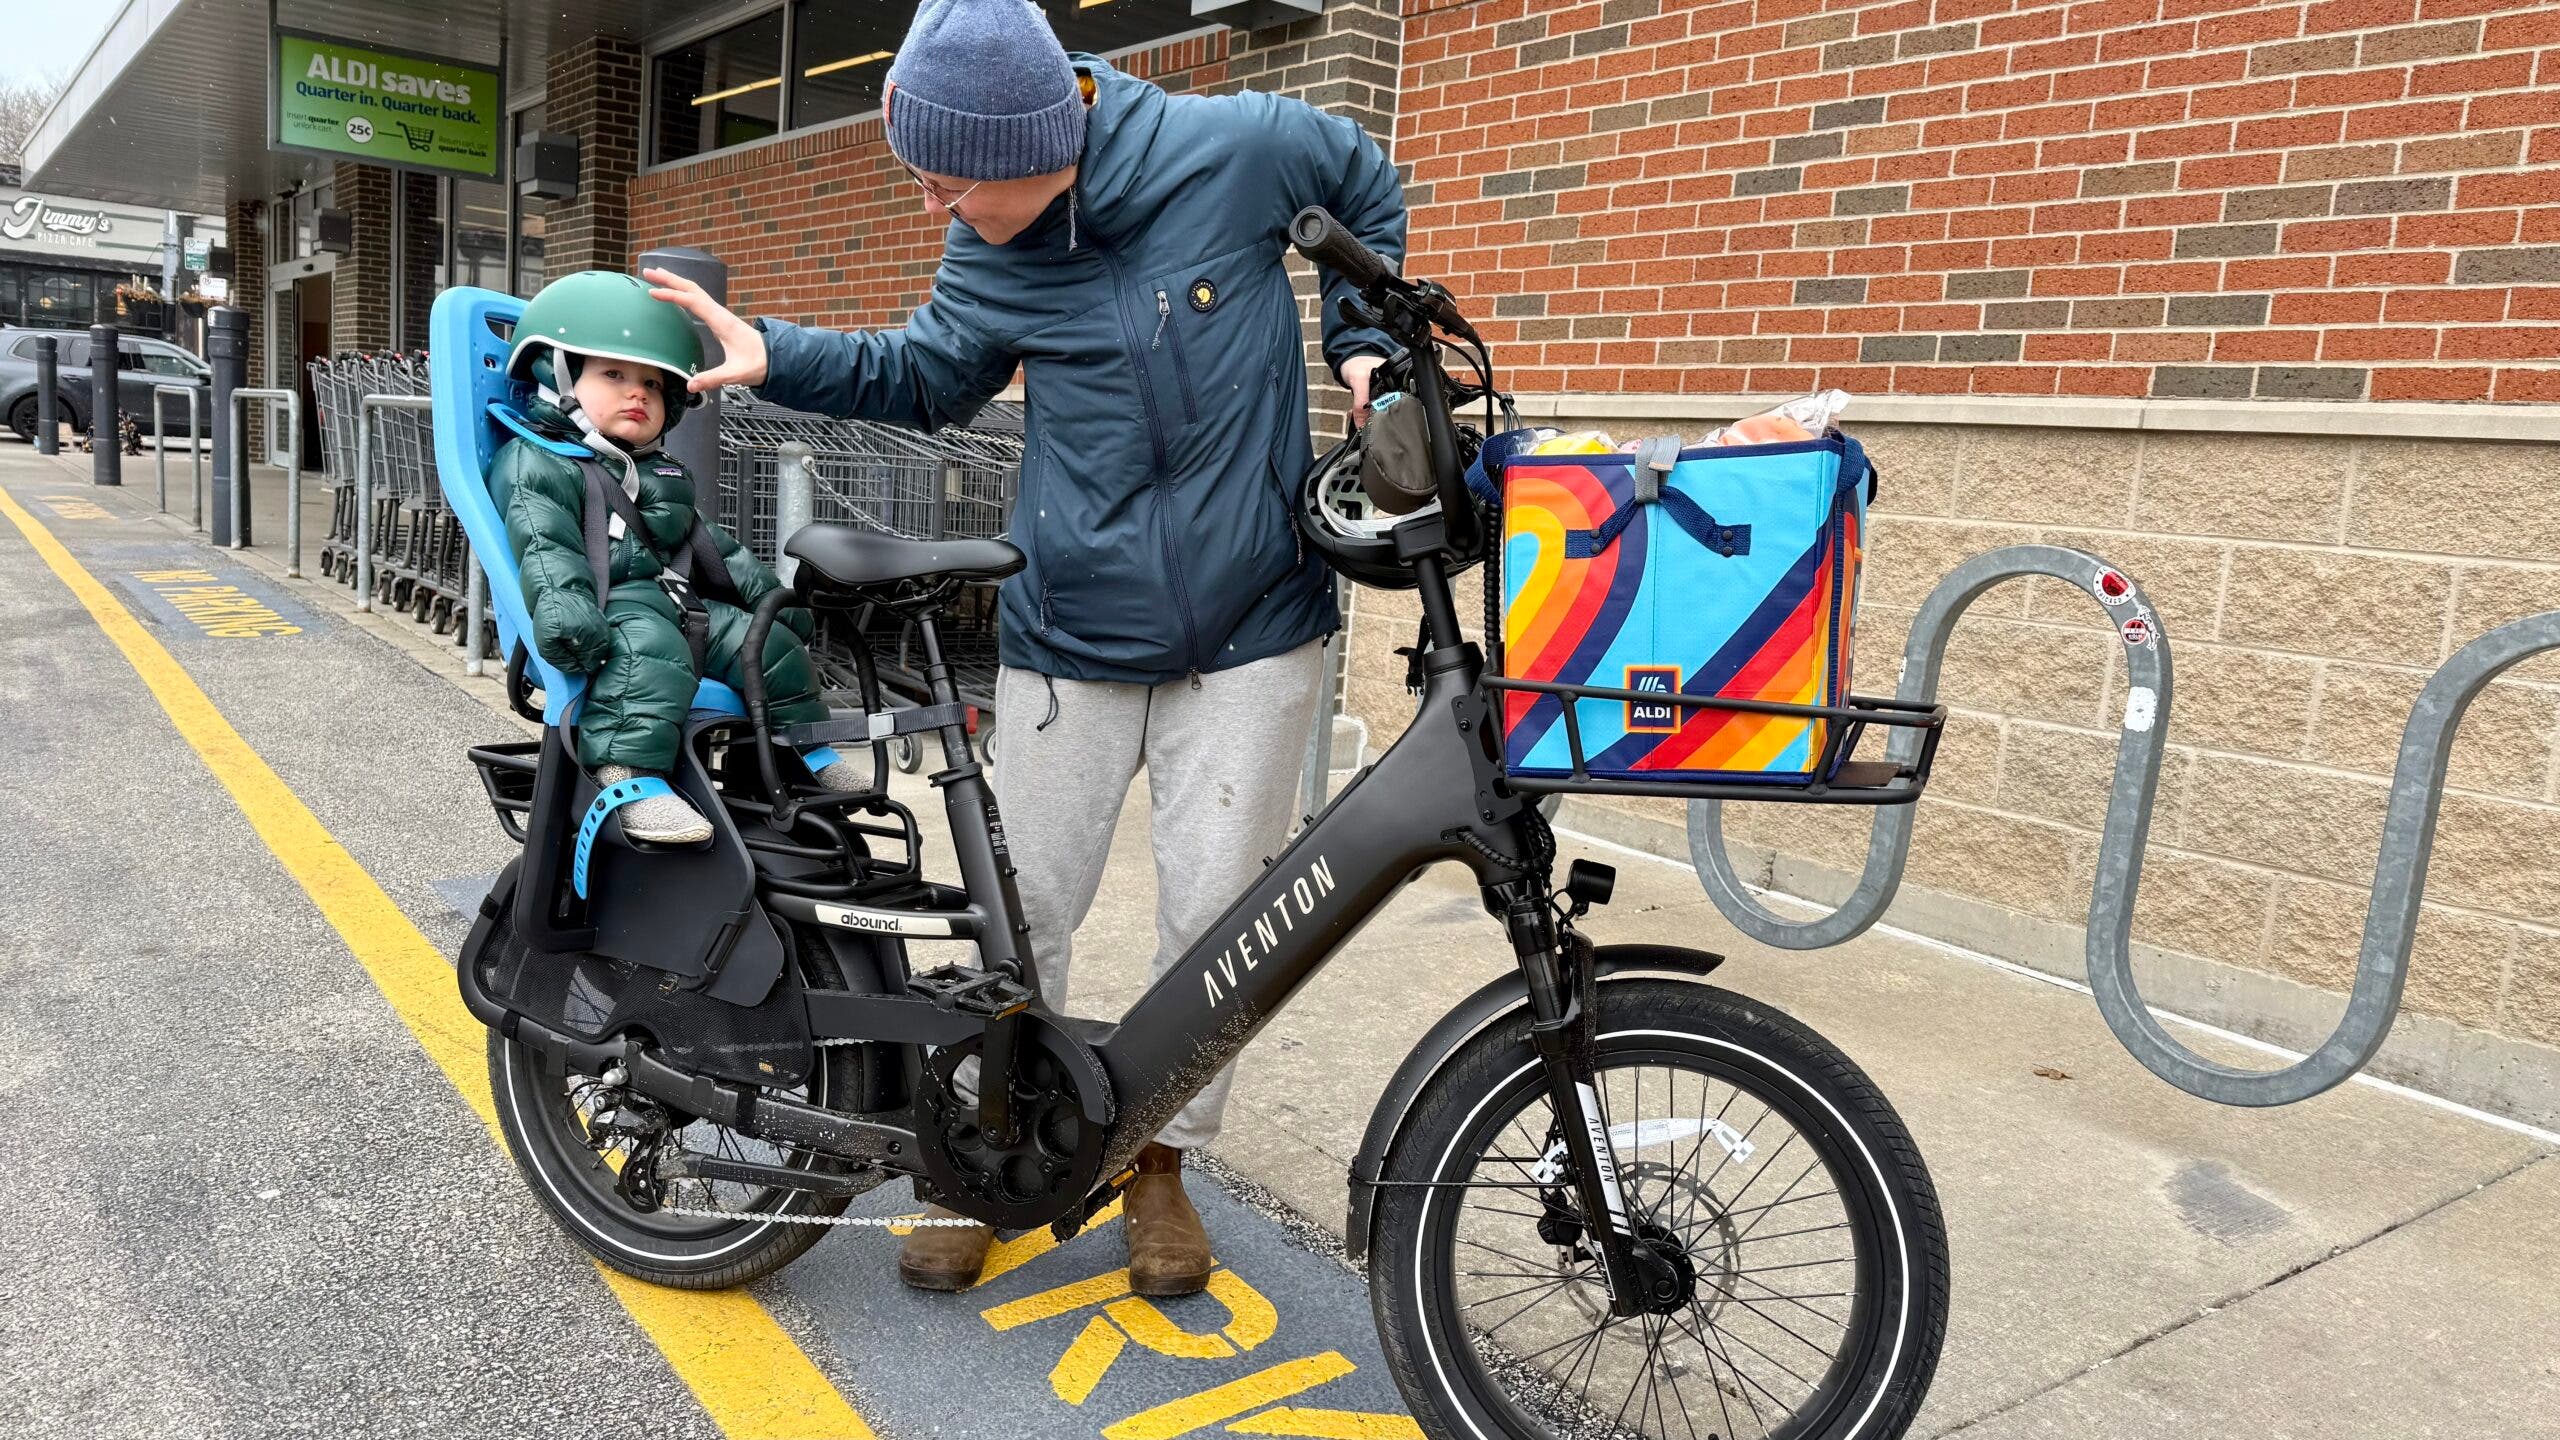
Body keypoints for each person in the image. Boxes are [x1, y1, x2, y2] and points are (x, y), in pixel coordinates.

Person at [644, 0, 1404, 1298]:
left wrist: (1368, 349)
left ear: (1034, 143)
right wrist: (782, 355)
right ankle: (991, 1151)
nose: (936, 204)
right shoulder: (993, 256)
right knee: (1026, 914)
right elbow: (929, 377)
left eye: (949, 177)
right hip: (1073, 626)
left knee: (1217, 929)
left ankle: (1159, 1168)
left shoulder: (1234, 151)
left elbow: (1363, 182)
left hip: (1254, 621)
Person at [493, 270, 862, 843]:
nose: (637, 393)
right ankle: (628, 776)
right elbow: (545, 546)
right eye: (613, 374)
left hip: (679, 601)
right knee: (648, 653)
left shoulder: (658, 471)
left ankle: (798, 751)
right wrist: (568, 613)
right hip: (611, 606)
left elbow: (712, 547)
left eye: (652, 384)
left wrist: (769, 599)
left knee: (770, 644)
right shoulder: (536, 462)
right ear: (559, 375)